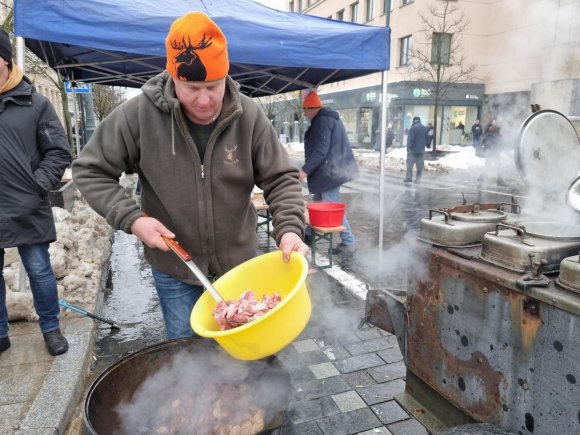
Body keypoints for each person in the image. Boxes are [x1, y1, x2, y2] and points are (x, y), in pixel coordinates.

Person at [72, 12, 309, 340]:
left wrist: (290, 230)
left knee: (244, 353)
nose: (203, 100)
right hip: (175, 268)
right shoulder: (139, 115)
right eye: (191, 87)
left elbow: (281, 178)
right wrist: (133, 219)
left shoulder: (248, 115)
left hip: (239, 265)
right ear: (173, 77)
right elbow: (90, 169)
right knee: (187, 354)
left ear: (226, 75)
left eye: (213, 86)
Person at [0, 29, 72, 355]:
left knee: (40, 271)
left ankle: (51, 329)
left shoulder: (35, 102)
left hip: (26, 203)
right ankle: (0, 333)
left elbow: (58, 152)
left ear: (5, 61)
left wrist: (36, 185)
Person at [299, 91, 359, 254]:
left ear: (311, 108)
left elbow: (321, 150)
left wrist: (305, 170)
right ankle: (310, 233)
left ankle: (349, 241)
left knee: (331, 206)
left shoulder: (323, 121)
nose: (304, 114)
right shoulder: (327, 119)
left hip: (330, 173)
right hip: (332, 170)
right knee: (318, 202)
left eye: (305, 110)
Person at [404, 116, 429, 184]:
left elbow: (410, 140)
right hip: (421, 150)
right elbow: (427, 138)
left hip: (413, 151)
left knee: (410, 165)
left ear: (414, 121)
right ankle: (418, 179)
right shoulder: (424, 128)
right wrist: (426, 145)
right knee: (420, 166)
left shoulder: (413, 128)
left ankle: (409, 178)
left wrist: (408, 148)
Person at [481, 118, 506, 186]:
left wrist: (501, 145)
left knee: (497, 164)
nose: (495, 122)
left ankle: (499, 178)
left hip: (496, 150)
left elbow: (500, 139)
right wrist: (485, 146)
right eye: (494, 121)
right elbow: (485, 139)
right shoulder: (488, 130)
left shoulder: (498, 130)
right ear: (491, 123)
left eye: (496, 122)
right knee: (488, 164)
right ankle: (483, 176)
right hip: (490, 149)